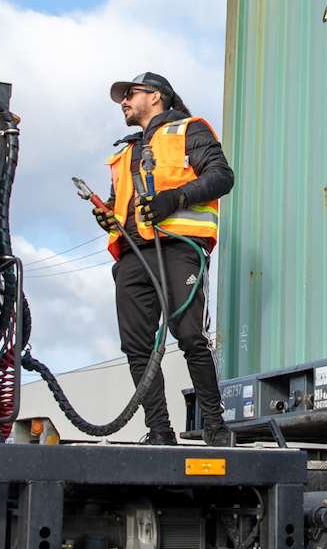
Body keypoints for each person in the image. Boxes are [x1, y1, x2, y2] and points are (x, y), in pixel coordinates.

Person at [97, 71, 234, 446]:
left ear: (156, 96)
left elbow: (222, 177)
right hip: (132, 257)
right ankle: (160, 431)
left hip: (177, 248)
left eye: (130, 94)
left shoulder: (190, 130)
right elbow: (119, 206)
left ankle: (215, 426)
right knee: (138, 348)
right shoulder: (124, 153)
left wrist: (174, 199)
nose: (124, 101)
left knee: (190, 335)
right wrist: (107, 214)